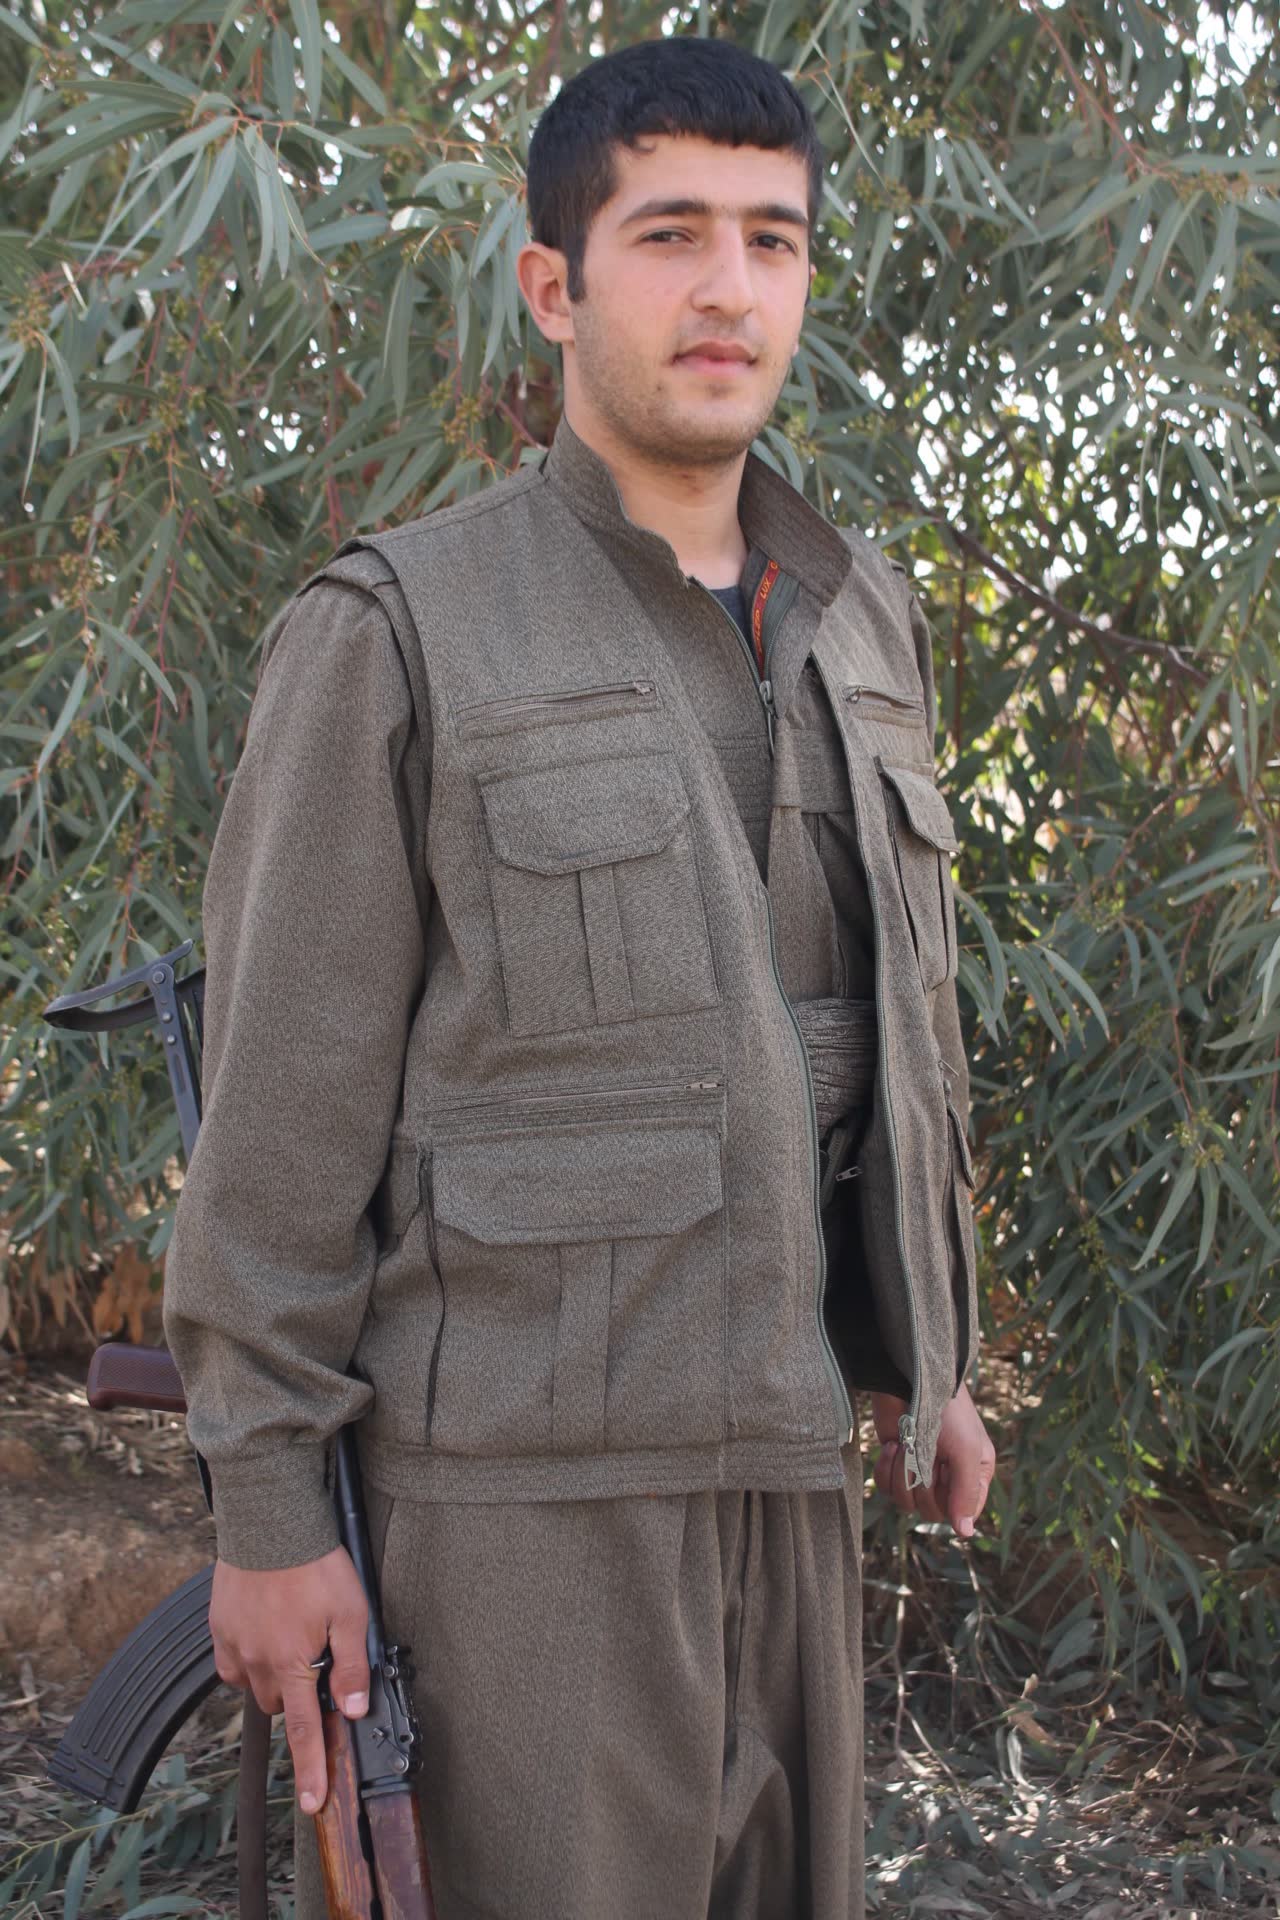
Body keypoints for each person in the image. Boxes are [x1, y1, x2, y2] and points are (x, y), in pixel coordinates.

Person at [164, 33, 996, 1920]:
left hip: (789, 1477)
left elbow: (882, 1036)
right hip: (515, 1518)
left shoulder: (863, 622)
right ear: (554, 286)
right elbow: (284, 1121)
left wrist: (929, 1350)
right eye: (670, 234)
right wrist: (270, 1512)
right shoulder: (403, 628)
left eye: (773, 240)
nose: (729, 289)